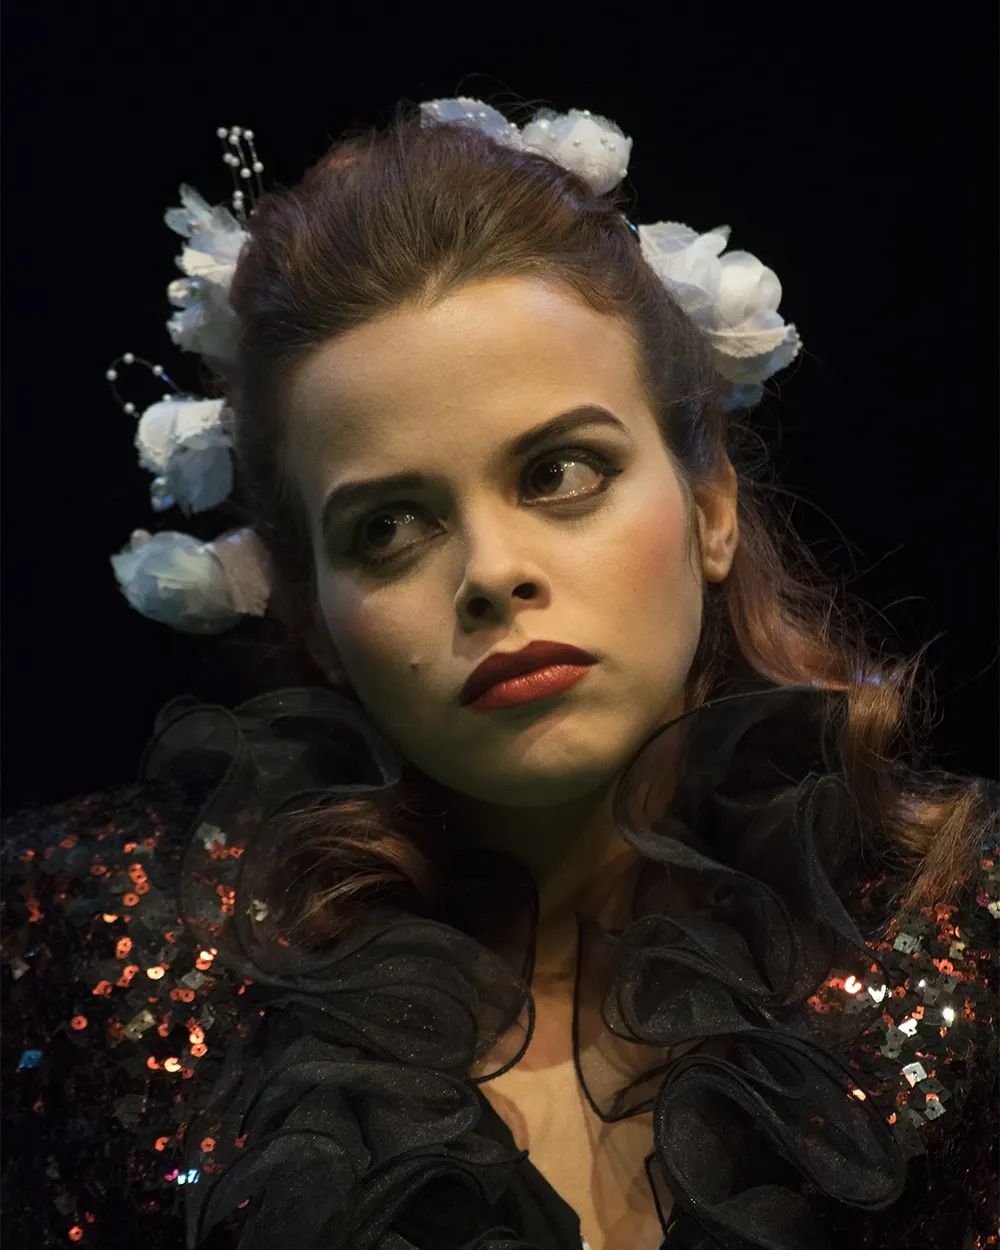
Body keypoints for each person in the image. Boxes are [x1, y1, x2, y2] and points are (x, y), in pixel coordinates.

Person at [2, 98, 997, 1250]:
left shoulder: (963, 934)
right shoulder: (96, 954)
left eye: (561, 471)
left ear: (711, 505)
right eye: (387, 527)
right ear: (313, 615)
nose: (490, 572)